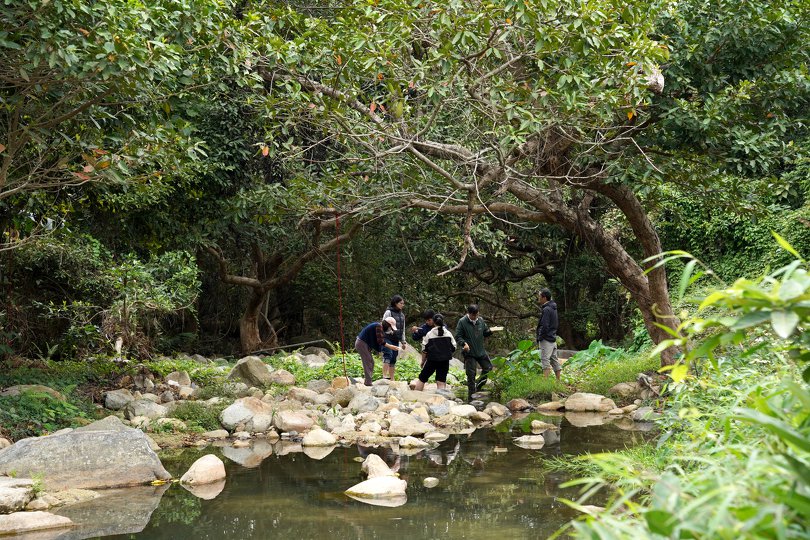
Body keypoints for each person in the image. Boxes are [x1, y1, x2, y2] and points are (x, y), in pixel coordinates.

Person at [455, 304, 503, 401]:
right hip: (469, 352)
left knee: (488, 368)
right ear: (469, 314)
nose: (475, 317)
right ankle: (471, 397)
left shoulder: (480, 320)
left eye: (477, 315)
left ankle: (479, 386)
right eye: (473, 315)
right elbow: (458, 336)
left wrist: (492, 330)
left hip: (480, 351)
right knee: (471, 374)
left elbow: (484, 332)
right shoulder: (462, 322)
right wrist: (463, 343)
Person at [355, 317, 404, 386]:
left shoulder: (379, 327)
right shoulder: (378, 326)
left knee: (371, 362)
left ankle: (368, 381)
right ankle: (368, 383)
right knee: (368, 362)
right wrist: (391, 347)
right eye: (390, 327)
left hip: (364, 344)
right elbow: (380, 341)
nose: (390, 329)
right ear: (387, 325)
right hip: (362, 343)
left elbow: (379, 340)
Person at [413, 313, 456, 391]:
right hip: (444, 361)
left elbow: (424, 349)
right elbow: (453, 347)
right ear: (442, 322)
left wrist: (423, 361)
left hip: (432, 360)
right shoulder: (448, 334)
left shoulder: (430, 334)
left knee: (422, 378)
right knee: (441, 381)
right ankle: (442, 400)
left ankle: (415, 397)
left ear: (434, 322)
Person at [537, 288, 561, 381]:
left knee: (545, 360)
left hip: (546, 339)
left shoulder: (546, 309)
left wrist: (540, 336)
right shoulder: (553, 307)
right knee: (554, 360)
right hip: (552, 337)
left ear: (544, 298)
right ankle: (558, 382)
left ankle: (545, 383)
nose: (538, 298)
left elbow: (545, 325)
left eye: (540, 296)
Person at [382, 295, 407, 380]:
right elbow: (383, 324)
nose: (402, 305)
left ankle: (392, 379)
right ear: (395, 303)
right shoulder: (388, 312)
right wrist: (389, 332)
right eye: (401, 303)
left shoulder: (402, 315)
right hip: (387, 337)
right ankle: (384, 376)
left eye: (403, 303)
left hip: (396, 339)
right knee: (388, 354)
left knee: (393, 358)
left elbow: (403, 329)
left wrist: (403, 341)